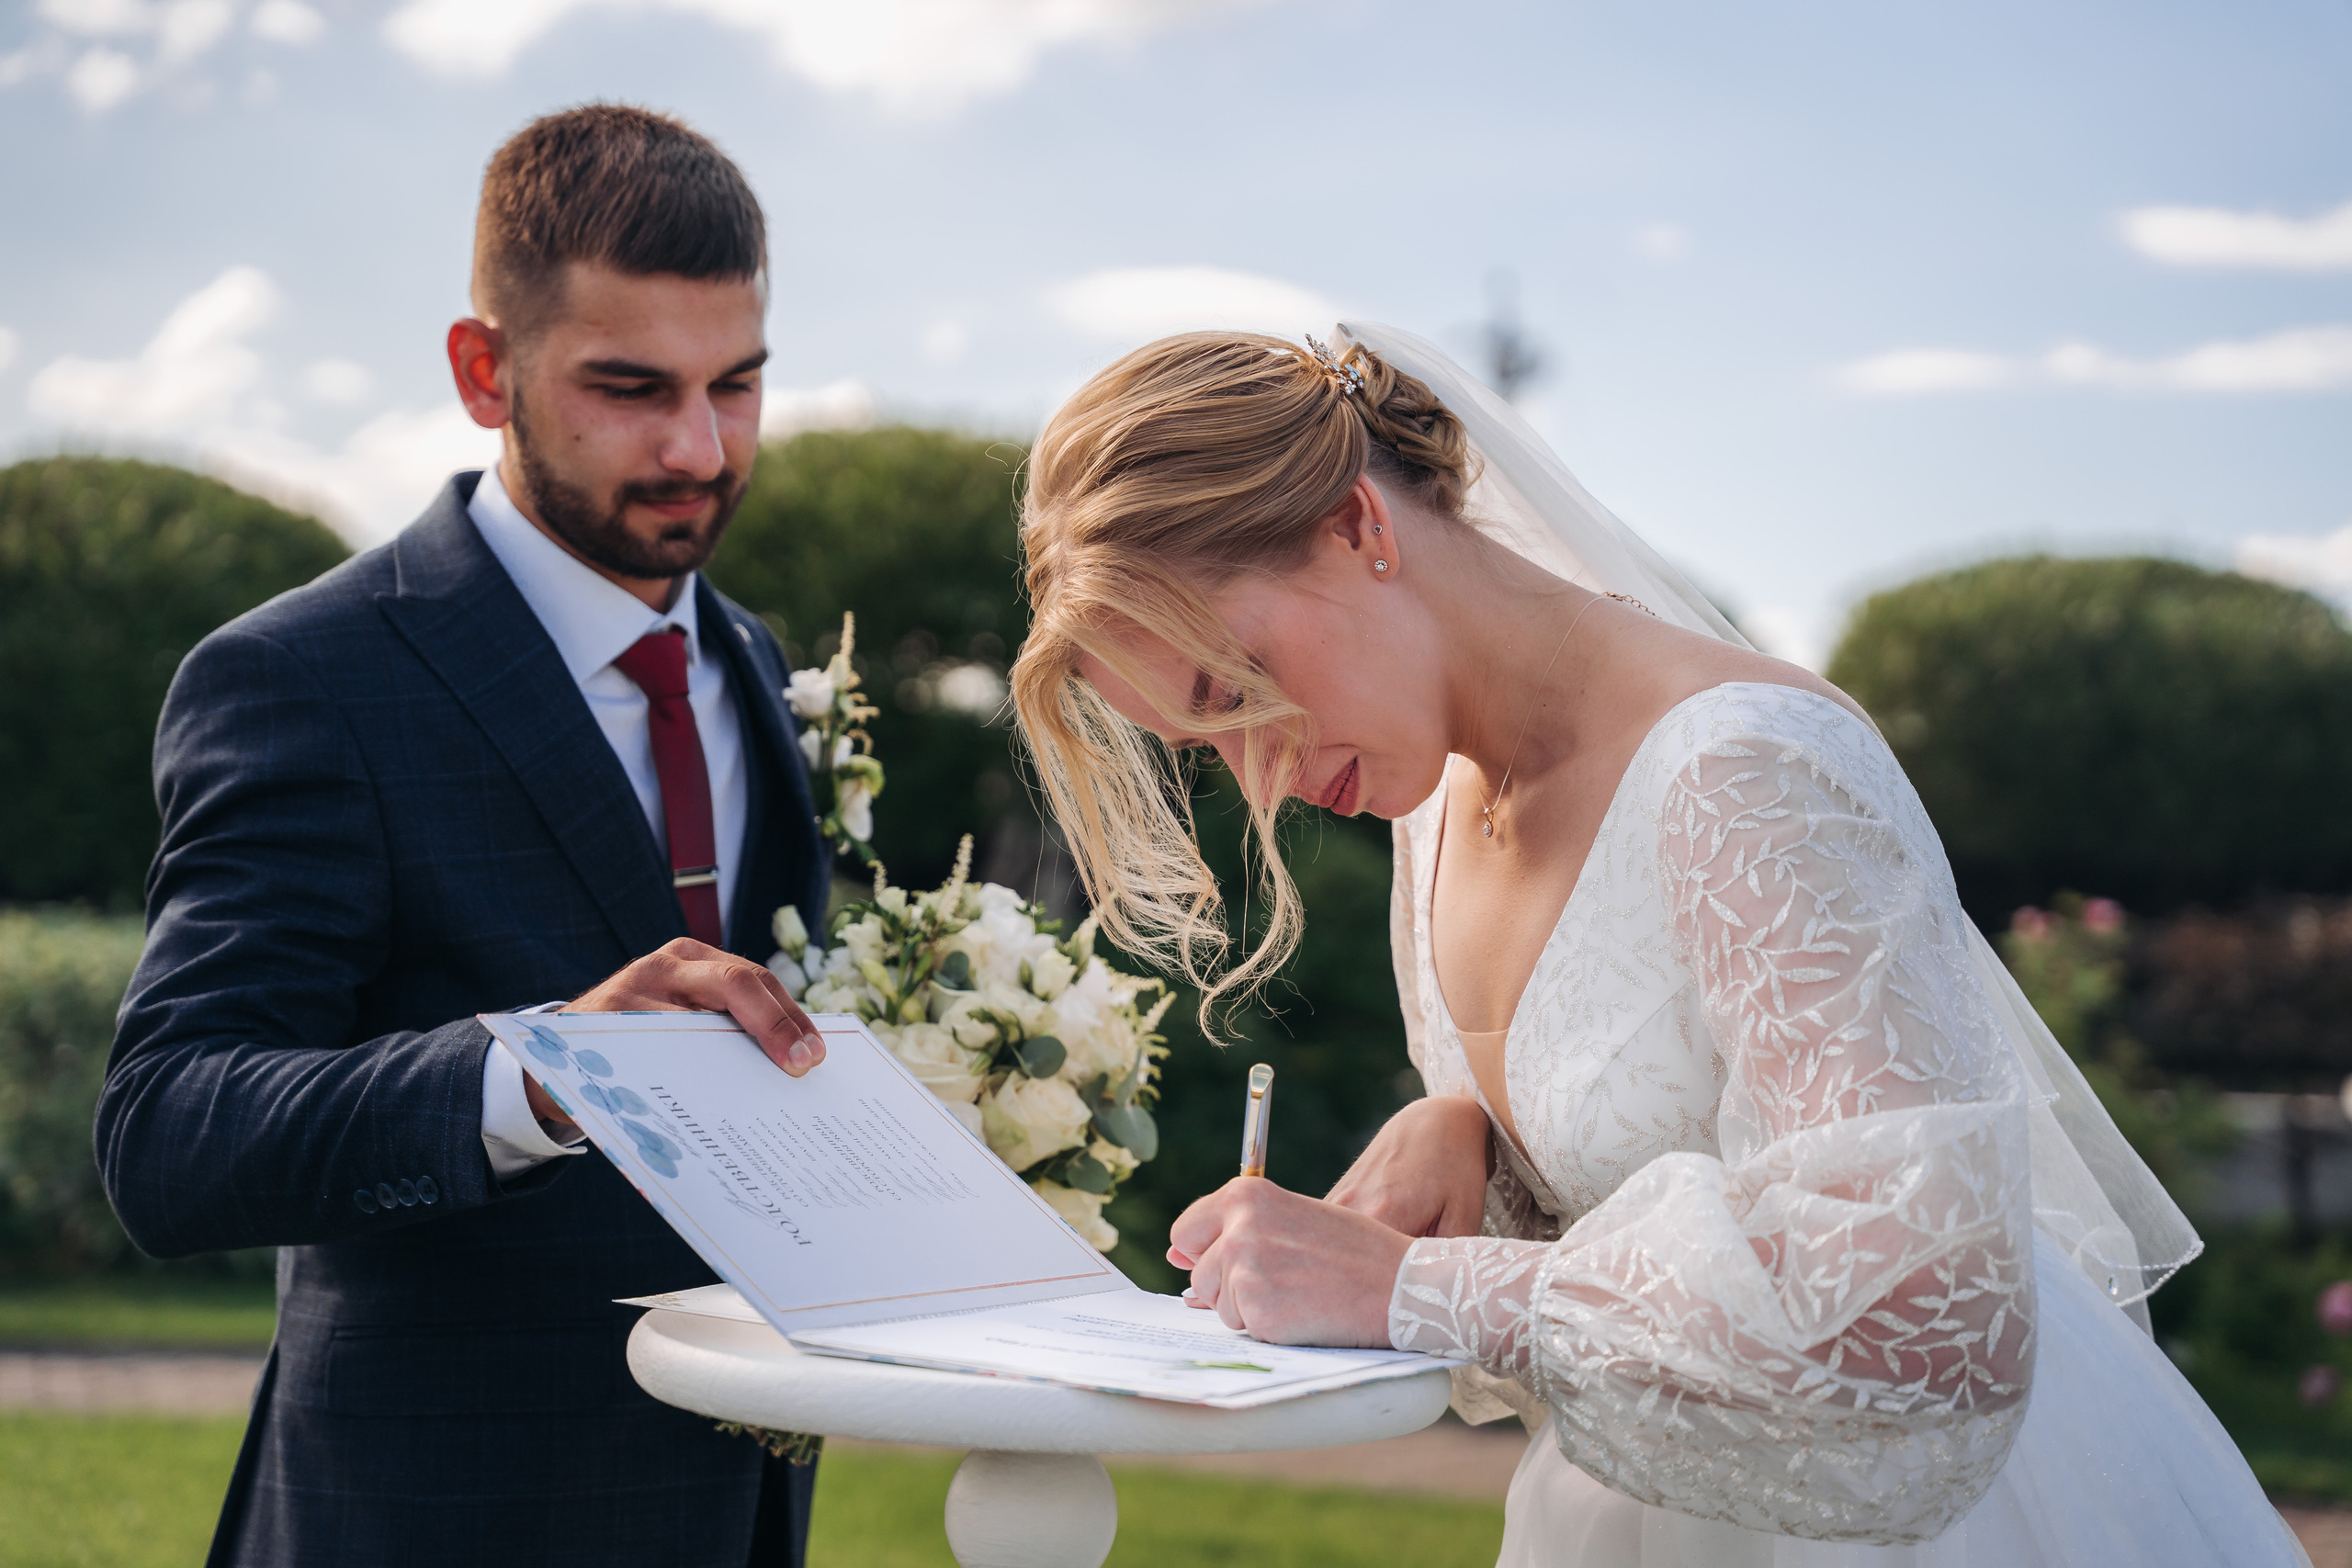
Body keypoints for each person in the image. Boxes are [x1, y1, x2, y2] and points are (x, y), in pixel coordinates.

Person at [1007, 324, 2306, 1566]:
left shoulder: (1748, 772)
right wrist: (1469, 1131)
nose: (1265, 775)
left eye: (1235, 687)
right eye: (1213, 751)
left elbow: (1923, 1327)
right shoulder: (1433, 809)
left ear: (1356, 526)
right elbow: (1656, 1132)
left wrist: (1414, 1288)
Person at [96, 106, 832, 1568]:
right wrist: (552, 1072)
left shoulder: (760, 665)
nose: (699, 447)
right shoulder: (304, 679)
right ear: (482, 369)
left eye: (736, 385)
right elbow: (168, 1133)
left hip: (739, 1513)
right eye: (631, 387)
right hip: (424, 1518)